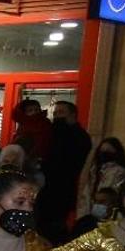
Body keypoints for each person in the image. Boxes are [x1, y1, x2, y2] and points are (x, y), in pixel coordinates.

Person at [36, 100, 91, 237]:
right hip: (46, 189)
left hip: (62, 191)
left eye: (61, 112)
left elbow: (70, 164)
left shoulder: (79, 137)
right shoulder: (53, 134)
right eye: (55, 113)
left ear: (72, 115)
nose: (57, 116)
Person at [76, 137, 125, 218]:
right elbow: (86, 195)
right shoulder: (94, 171)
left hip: (110, 216)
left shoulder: (120, 172)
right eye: (102, 151)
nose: (104, 153)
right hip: (90, 213)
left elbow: (116, 196)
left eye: (108, 150)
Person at [11, 98, 52, 163]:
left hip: (43, 160)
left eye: (36, 109)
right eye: (30, 110)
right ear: (25, 113)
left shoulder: (46, 124)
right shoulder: (23, 126)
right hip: (23, 161)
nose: (34, 112)